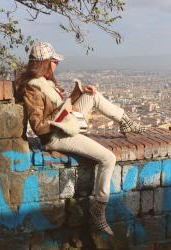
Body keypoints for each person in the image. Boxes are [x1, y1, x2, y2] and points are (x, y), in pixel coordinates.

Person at [15, 42, 145, 235]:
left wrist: (76, 97)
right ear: (46, 63)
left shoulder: (46, 83)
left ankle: (125, 121)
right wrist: (67, 105)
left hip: (66, 124)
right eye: (54, 61)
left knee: (93, 95)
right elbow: (39, 127)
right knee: (108, 158)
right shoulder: (33, 88)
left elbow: (60, 110)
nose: (56, 65)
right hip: (56, 136)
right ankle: (99, 208)